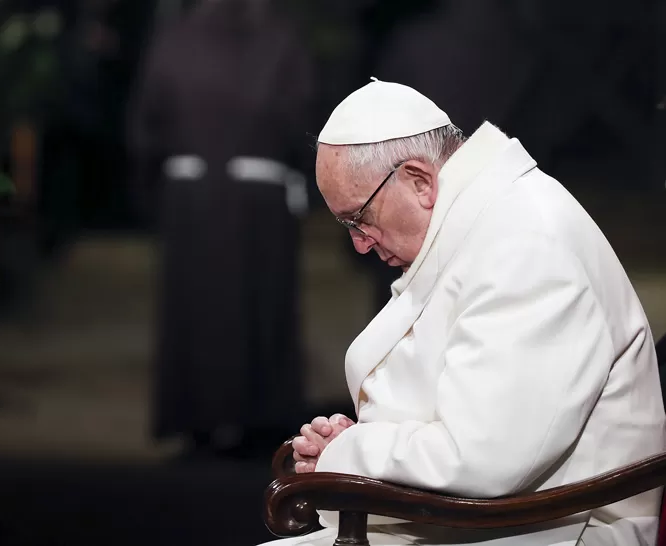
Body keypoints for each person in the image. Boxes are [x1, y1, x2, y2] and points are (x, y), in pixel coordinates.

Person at [258, 79, 666, 545]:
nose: (358, 242)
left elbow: (486, 455)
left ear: (419, 180)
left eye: (360, 218)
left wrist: (350, 454)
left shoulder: (527, 244)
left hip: (559, 528)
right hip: (489, 518)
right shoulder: (477, 221)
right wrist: (359, 437)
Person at [127, 0, 315, 456]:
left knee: (197, 308)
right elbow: (304, 119)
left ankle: (197, 417)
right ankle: (260, 415)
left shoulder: (175, 40)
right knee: (258, 306)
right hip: (260, 198)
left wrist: (154, 189)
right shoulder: (282, 39)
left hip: (192, 197)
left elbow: (146, 123)